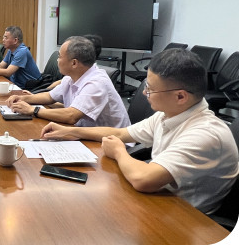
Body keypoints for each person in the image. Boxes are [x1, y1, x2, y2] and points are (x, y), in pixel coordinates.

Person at [40, 48, 239, 214]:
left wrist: (119, 151)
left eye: (150, 89)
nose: (144, 93)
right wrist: (69, 131)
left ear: (180, 96)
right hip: (160, 200)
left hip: (186, 218)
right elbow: (121, 134)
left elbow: (144, 179)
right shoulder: (168, 114)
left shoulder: (205, 135)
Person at [7, 36, 130, 128]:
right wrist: (22, 98)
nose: (57, 61)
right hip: (86, 134)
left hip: (112, 145)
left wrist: (33, 110)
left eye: (60, 57)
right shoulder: (71, 77)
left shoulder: (96, 83)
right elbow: (49, 96)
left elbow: (71, 116)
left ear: (74, 63)